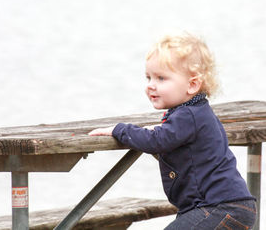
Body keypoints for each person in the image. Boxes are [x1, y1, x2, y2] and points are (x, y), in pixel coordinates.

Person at [88, 33, 256, 229]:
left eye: (161, 78)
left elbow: (157, 141)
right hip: (230, 206)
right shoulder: (196, 113)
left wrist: (120, 130)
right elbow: (167, 135)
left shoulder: (188, 116)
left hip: (219, 207)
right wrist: (158, 130)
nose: (151, 85)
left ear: (192, 84)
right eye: (148, 77)